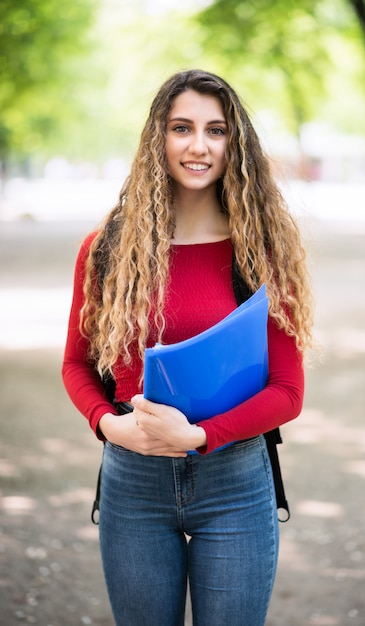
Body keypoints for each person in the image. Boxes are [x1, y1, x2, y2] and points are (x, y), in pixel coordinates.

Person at [62, 69, 314, 626]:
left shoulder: (263, 251)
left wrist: (201, 436)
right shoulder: (105, 249)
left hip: (235, 477)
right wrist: (109, 424)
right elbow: (76, 365)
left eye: (216, 130)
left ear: (235, 143)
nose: (198, 146)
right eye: (182, 128)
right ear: (159, 138)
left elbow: (288, 391)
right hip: (134, 478)